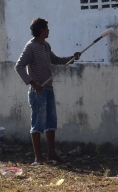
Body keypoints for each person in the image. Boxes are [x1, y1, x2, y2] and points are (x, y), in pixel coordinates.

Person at [14, 17, 81, 166]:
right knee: (37, 123)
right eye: (46, 28)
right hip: (38, 92)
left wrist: (72, 58)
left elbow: (55, 60)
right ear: (41, 30)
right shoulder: (31, 47)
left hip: (48, 89)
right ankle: (38, 157)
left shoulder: (45, 46)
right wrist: (33, 83)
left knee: (51, 123)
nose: (48, 30)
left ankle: (51, 153)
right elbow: (19, 66)